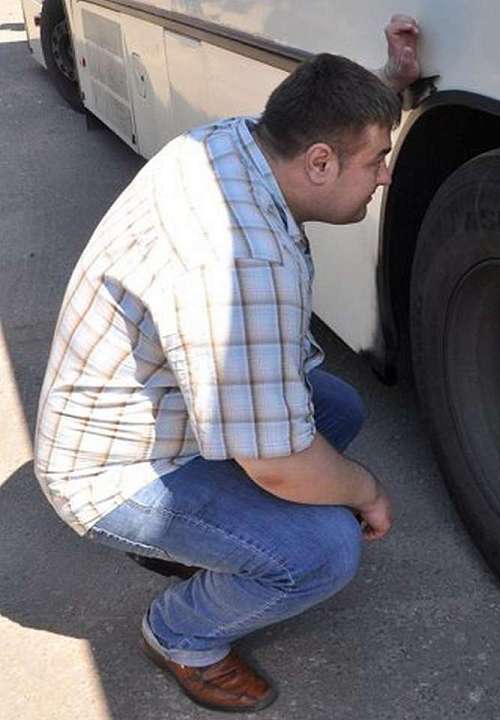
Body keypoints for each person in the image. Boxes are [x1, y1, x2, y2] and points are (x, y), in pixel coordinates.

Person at [33, 16, 420, 713]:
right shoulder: (239, 265)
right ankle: (179, 633)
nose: (384, 175)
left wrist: (386, 84)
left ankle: (220, 538)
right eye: (376, 160)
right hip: (113, 474)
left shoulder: (236, 144)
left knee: (337, 407)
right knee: (326, 547)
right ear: (321, 163)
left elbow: (323, 118)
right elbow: (279, 463)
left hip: (147, 414)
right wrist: (365, 491)